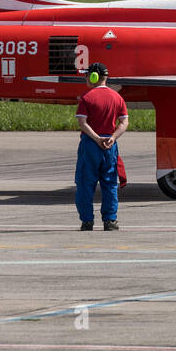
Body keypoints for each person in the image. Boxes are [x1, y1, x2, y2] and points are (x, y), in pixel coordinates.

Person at [74, 62, 129, 231]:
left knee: (85, 183)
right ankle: (110, 221)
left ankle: (87, 221)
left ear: (93, 76)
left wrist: (97, 138)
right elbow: (124, 121)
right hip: (110, 146)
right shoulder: (117, 97)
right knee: (110, 183)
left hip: (91, 144)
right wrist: (112, 138)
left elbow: (82, 123)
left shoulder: (87, 97)